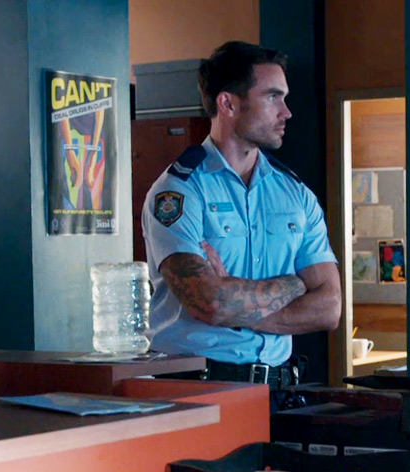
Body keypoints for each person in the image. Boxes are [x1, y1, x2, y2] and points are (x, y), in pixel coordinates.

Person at [141, 41, 340, 399]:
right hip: (197, 390)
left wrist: (234, 302)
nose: (286, 112)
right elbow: (209, 303)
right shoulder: (178, 192)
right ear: (228, 103)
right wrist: (297, 283)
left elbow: (330, 308)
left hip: (277, 393)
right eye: (273, 97)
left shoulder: (295, 194)